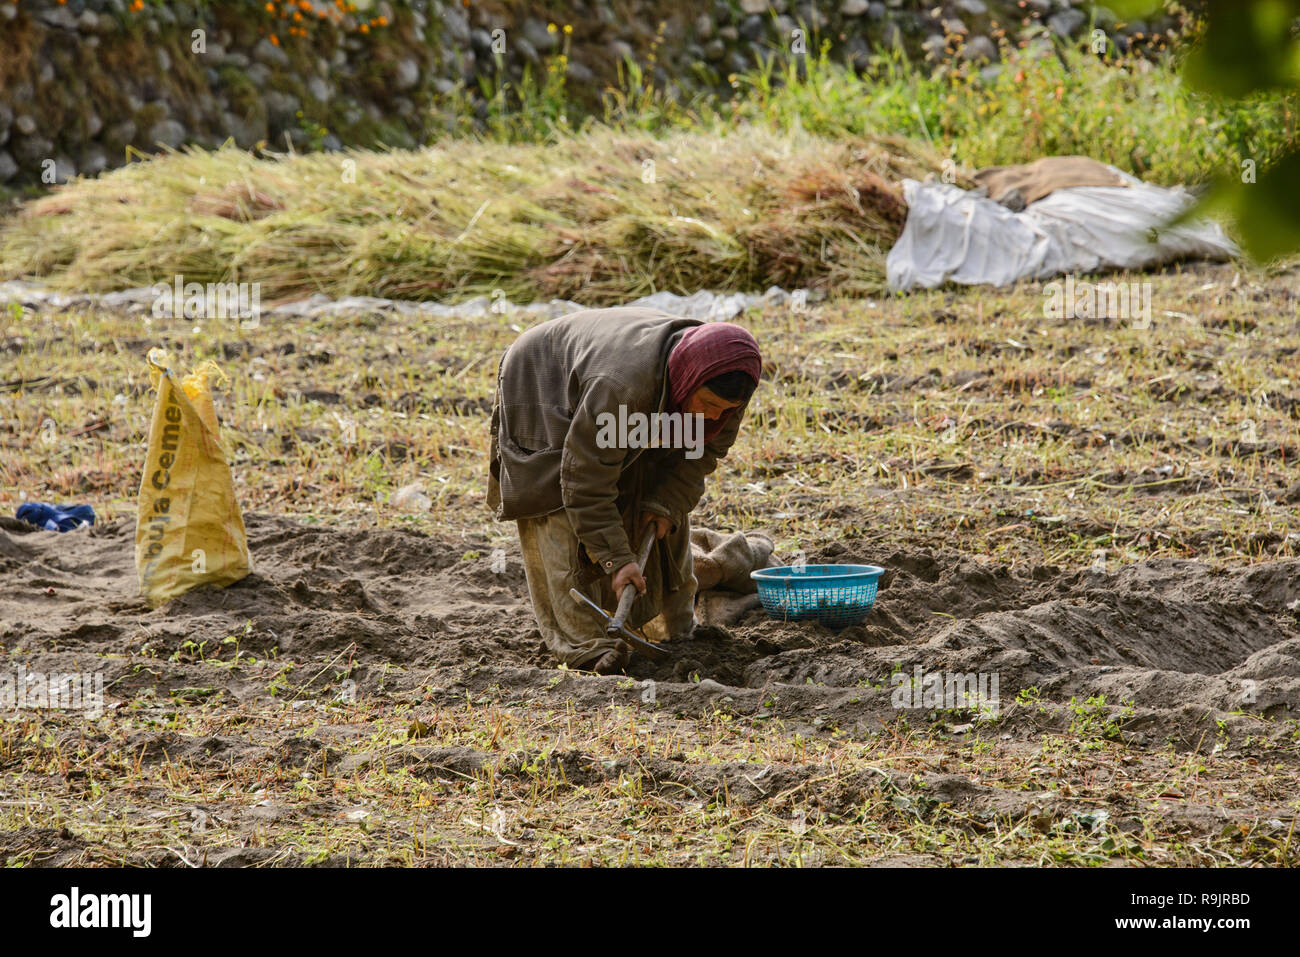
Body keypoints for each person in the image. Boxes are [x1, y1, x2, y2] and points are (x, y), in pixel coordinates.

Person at [488, 307, 762, 674]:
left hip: (629, 400)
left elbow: (701, 454)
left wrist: (666, 502)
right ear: (687, 380)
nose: (714, 417)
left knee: (660, 507)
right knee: (557, 505)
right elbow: (585, 482)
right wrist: (617, 560)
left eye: (725, 411)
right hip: (543, 375)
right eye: (708, 405)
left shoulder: (728, 378)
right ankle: (586, 644)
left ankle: (672, 628)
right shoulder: (622, 388)